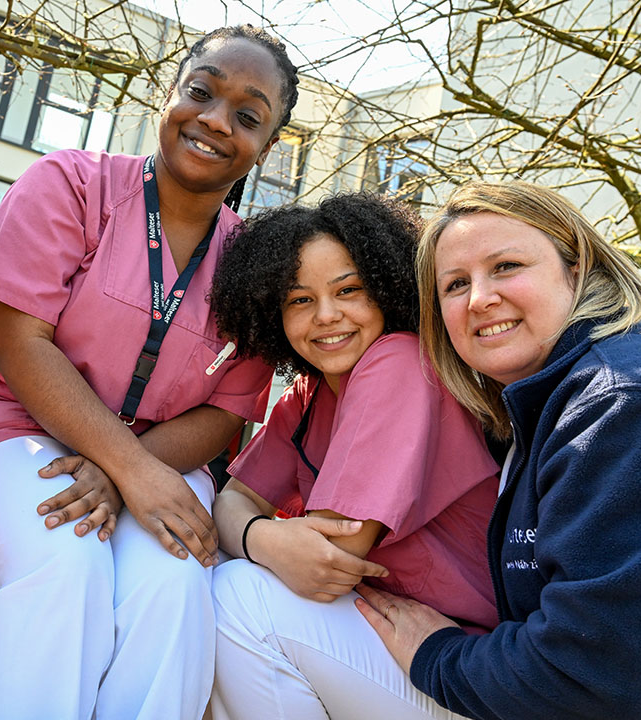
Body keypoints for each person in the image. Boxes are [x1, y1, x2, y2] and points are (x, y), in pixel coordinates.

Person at [356, 180, 641, 719]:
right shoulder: (542, 413)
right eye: (455, 284)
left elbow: (598, 683)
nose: (480, 298)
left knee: (253, 610)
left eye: (506, 266)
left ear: (577, 268)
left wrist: (436, 654)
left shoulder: (630, 404)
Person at [0, 24, 299, 720]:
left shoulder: (256, 261)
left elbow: (227, 410)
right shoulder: (71, 182)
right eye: (201, 92)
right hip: (13, 430)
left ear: (269, 144)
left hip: (163, 462)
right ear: (171, 93)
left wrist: (127, 468)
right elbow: (19, 339)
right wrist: (128, 469)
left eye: (248, 116)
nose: (215, 121)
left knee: (175, 589)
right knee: (66, 564)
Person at [205, 193, 499, 720]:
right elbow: (233, 498)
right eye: (299, 300)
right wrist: (261, 537)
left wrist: (254, 538)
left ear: (388, 291)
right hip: (382, 644)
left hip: (459, 671)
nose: (326, 316)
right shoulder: (308, 396)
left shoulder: (402, 361)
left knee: (238, 596)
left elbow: (330, 554)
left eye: (349, 291)